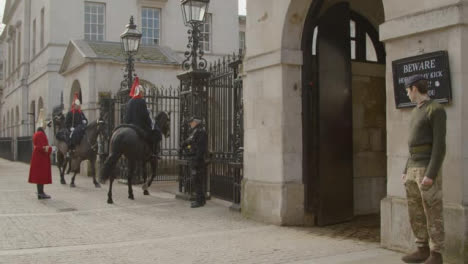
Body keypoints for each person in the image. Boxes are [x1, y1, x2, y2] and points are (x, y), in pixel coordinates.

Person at [401, 74, 446, 264]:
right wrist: (405, 169)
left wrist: (431, 173)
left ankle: (436, 255)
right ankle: (422, 248)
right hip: (412, 168)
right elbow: (411, 146)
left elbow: (439, 146)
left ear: (414, 89)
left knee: (432, 211)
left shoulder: (435, 110)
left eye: (407, 90)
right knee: (415, 211)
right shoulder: (414, 111)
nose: (407, 93)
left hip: (426, 169)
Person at [124, 77, 160, 154]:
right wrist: (150, 125)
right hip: (139, 126)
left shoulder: (130, 101)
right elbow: (145, 116)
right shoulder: (141, 101)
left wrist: (127, 125)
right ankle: (152, 153)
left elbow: (127, 116)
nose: (143, 94)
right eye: (142, 93)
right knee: (155, 134)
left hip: (129, 125)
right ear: (139, 92)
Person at [180, 116, 208, 208]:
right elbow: (189, 142)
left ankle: (199, 201)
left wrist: (196, 160)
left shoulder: (201, 132)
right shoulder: (195, 132)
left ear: (196, 123)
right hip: (194, 159)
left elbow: (200, 149)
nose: (190, 124)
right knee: (196, 180)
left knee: (197, 180)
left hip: (197, 160)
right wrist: (183, 145)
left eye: (191, 123)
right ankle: (201, 200)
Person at [29, 109, 53, 200]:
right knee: (40, 176)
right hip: (41, 158)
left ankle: (41, 192)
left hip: (38, 157)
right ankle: (40, 192)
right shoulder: (40, 134)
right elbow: (43, 147)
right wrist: (50, 148)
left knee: (39, 175)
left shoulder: (36, 134)